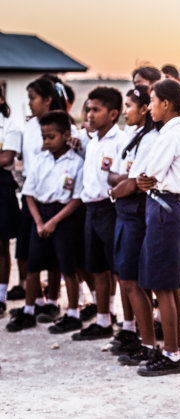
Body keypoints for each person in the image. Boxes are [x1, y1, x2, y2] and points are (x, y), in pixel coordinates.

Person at [135, 79, 180, 376]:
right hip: (167, 207)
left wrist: (140, 178)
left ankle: (173, 354)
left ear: (166, 104)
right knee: (169, 286)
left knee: (164, 285)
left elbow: (148, 174)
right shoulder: (175, 131)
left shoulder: (170, 134)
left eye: (152, 100)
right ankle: (174, 349)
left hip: (163, 207)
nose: (149, 107)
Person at [6, 111, 84, 333]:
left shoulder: (76, 162)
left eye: (51, 137)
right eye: (44, 137)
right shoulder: (40, 160)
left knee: (67, 267)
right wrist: (40, 222)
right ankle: (29, 311)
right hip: (40, 214)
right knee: (33, 266)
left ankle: (73, 313)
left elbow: (77, 199)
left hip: (64, 215)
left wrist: (54, 222)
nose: (46, 142)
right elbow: (29, 194)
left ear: (66, 135)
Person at [105, 85, 160, 361]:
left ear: (144, 109)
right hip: (124, 213)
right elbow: (115, 175)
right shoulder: (135, 135)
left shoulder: (151, 139)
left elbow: (134, 184)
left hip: (136, 213)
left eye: (129, 106)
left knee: (131, 281)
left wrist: (118, 186)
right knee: (126, 278)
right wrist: (119, 183)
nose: (126, 111)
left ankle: (149, 344)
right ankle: (142, 337)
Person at [72, 87, 128, 341]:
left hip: (110, 207)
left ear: (114, 113)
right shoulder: (92, 141)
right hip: (91, 208)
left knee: (117, 267)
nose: (90, 115)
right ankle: (104, 319)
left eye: (96, 110)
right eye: (88, 109)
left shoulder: (120, 141)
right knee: (97, 267)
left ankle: (129, 326)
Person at [12, 77, 67, 321]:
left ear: (47, 99)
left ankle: (53, 301)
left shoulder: (61, 124)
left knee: (55, 255)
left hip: (55, 198)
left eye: (33, 98)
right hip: (31, 196)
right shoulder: (29, 127)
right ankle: (34, 300)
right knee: (25, 250)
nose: (30, 104)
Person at [0, 84, 21, 317]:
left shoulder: (9, 127)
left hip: (1, 186)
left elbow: (5, 158)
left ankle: (1, 296)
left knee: (1, 244)